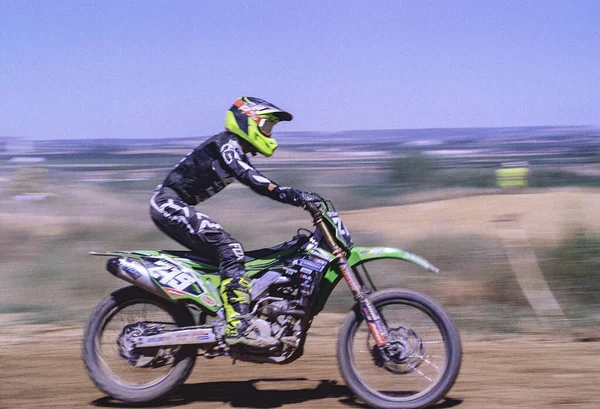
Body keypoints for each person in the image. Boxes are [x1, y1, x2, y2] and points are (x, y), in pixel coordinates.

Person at [150, 96, 307, 348]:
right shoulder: (227, 144)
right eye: (266, 126)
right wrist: (289, 194)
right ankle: (238, 325)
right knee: (231, 249)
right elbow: (251, 178)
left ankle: (226, 312)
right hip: (168, 204)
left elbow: (249, 173)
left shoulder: (233, 148)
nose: (268, 133)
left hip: (174, 204)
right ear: (247, 121)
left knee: (227, 255)